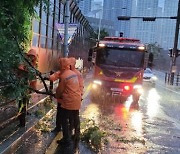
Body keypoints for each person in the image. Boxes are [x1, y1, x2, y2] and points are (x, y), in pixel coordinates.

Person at [55, 58, 81, 151]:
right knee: (74, 118)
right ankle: (76, 136)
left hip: (69, 102)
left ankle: (67, 139)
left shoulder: (64, 76)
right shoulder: (73, 74)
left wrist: (56, 96)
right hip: (76, 100)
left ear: (62, 65)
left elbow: (60, 91)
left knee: (64, 119)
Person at [18, 49, 38, 127]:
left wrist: (33, 87)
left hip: (28, 85)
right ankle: (21, 120)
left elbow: (33, 77)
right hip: (23, 85)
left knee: (26, 100)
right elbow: (20, 70)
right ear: (28, 56)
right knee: (22, 101)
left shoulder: (33, 64)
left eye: (33, 56)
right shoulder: (24, 63)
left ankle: (24, 113)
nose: (32, 58)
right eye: (31, 56)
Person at [69, 57, 84, 150]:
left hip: (72, 99)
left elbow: (80, 86)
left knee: (72, 116)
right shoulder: (77, 74)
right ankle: (75, 134)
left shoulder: (73, 74)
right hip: (75, 99)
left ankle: (73, 134)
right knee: (74, 116)